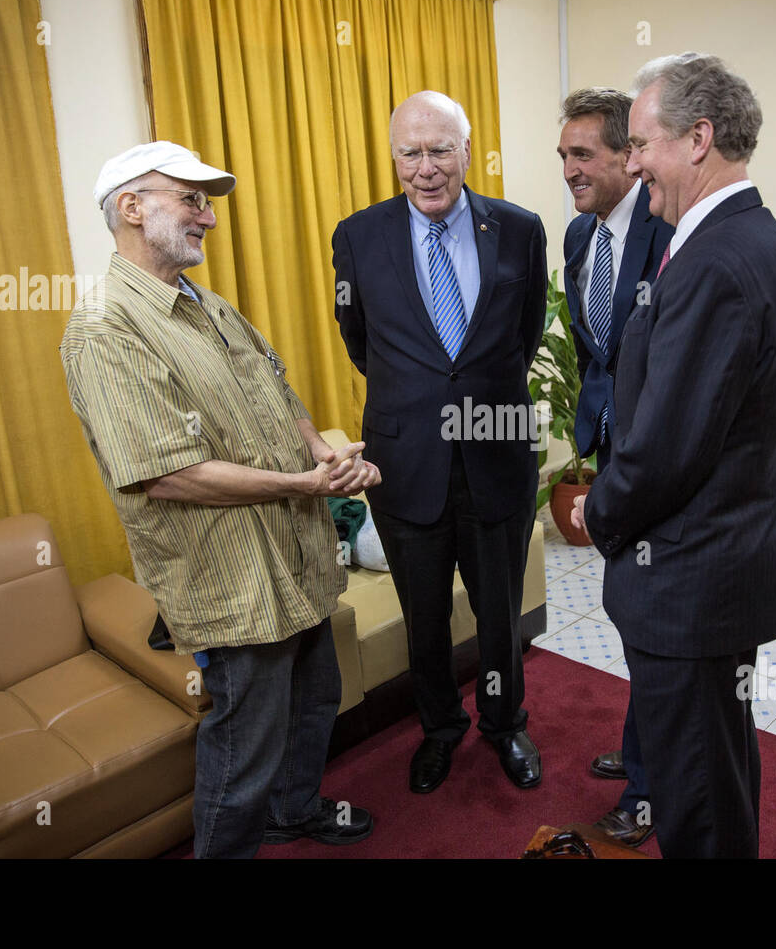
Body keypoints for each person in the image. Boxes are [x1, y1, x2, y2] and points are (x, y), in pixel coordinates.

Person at [60, 141, 379, 859]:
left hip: (293, 558)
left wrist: (323, 454)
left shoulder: (210, 306)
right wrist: (304, 486)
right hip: (231, 582)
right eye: (191, 199)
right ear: (132, 208)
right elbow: (165, 474)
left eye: (208, 202)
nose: (208, 216)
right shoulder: (104, 328)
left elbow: (279, 394)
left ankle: (294, 814)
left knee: (315, 702)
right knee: (243, 754)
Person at [572, 54, 776, 858]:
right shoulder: (757, 237)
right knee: (713, 764)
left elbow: (667, 450)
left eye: (641, 143)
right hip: (720, 562)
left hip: (691, 577)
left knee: (696, 796)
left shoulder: (716, 260)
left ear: (699, 138)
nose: (632, 162)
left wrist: (595, 510)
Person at [332, 91, 548, 794]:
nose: (425, 168)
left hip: (497, 452)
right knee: (423, 616)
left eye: (440, 150)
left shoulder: (518, 229)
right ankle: (439, 729)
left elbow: (522, 334)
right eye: (409, 152)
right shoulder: (357, 237)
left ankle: (504, 723)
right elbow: (360, 342)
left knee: (498, 611)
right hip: (407, 462)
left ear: (466, 148)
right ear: (393, 155)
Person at [557, 87, 672, 847]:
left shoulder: (666, 234)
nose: (569, 168)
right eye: (562, 155)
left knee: (653, 622)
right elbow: (597, 352)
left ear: (630, 156)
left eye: (583, 154)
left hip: (661, 463)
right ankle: (641, 751)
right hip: (612, 452)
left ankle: (648, 790)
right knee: (630, 615)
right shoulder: (576, 236)